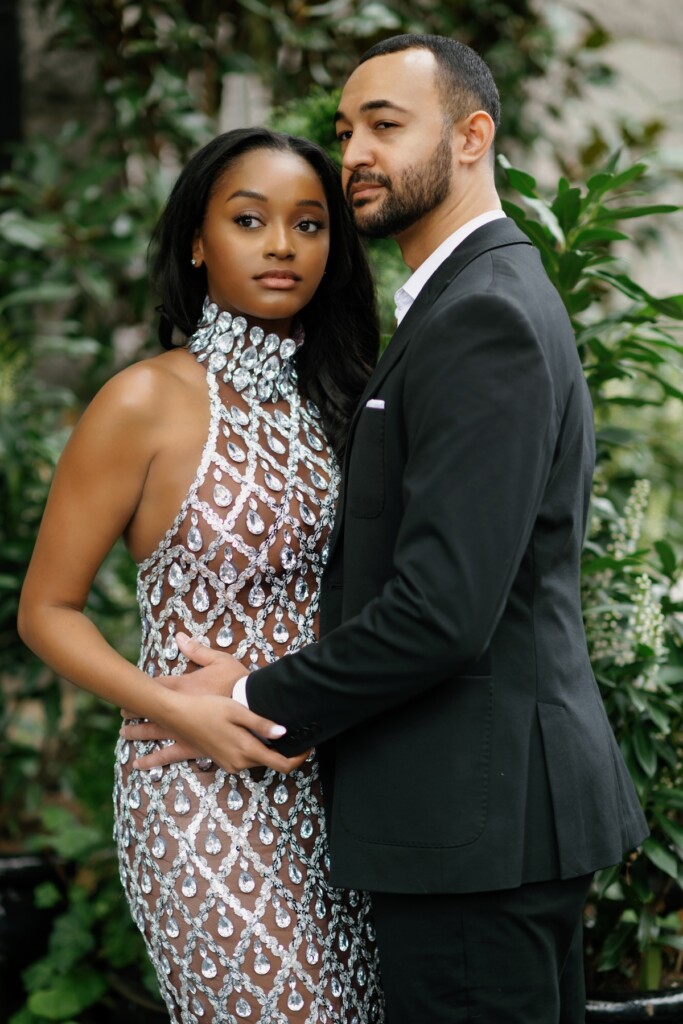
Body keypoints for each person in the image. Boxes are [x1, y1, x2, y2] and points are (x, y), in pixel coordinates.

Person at [119, 35, 649, 1024]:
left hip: (473, 827)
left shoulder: (479, 313)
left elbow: (440, 612)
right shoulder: (453, 302)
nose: (354, 149)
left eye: (385, 124)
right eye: (346, 127)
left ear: (470, 137)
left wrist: (241, 696)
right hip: (470, 826)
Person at [18, 127, 386, 1024]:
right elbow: (46, 609)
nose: (280, 246)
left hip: (339, 781)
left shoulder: (347, 396)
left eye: (309, 225)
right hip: (194, 786)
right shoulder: (143, 400)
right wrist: (172, 704)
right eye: (249, 219)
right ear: (196, 239)